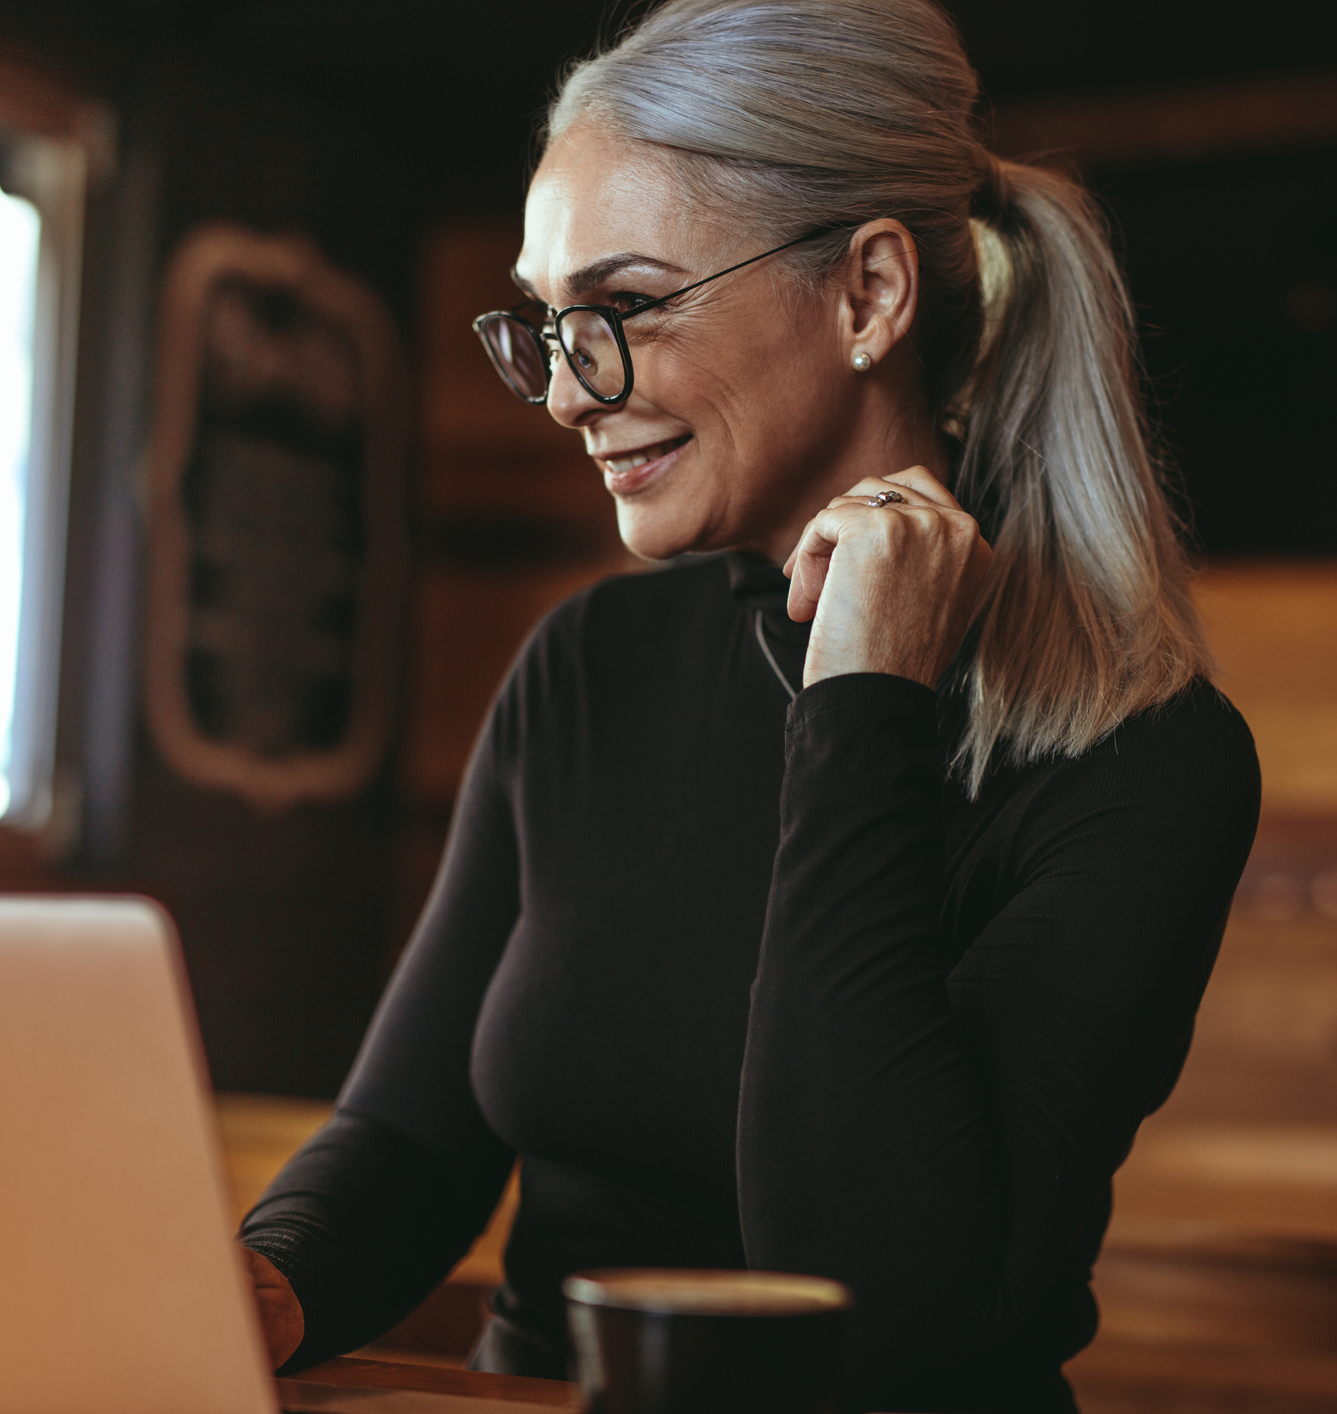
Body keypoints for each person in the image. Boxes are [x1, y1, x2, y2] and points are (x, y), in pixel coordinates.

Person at [237, 1, 1259, 1408]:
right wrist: (266, 1281)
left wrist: (862, 706)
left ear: (868, 296)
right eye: (544, 325)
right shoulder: (586, 666)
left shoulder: (1145, 760)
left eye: (629, 304)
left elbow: (884, 1304)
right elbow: (410, 1139)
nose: (565, 391)